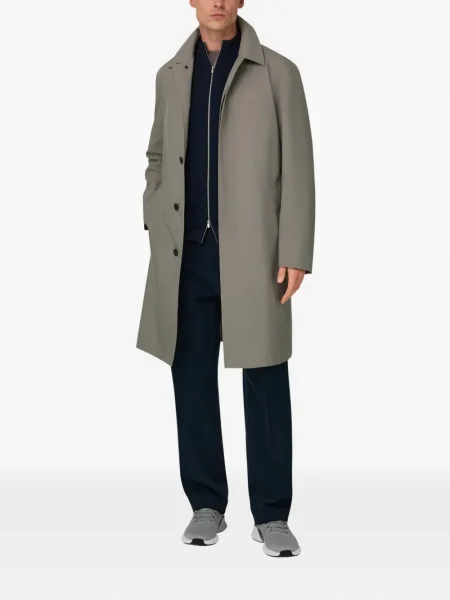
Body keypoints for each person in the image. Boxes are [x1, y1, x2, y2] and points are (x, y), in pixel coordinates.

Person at [137, 0, 315, 558]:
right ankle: (206, 505)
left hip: (256, 255)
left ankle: (272, 514)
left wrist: (295, 250)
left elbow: (299, 167)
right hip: (185, 255)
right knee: (190, 379)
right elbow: (157, 156)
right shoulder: (170, 74)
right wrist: (155, 211)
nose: (216, 1)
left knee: (266, 379)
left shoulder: (279, 72)